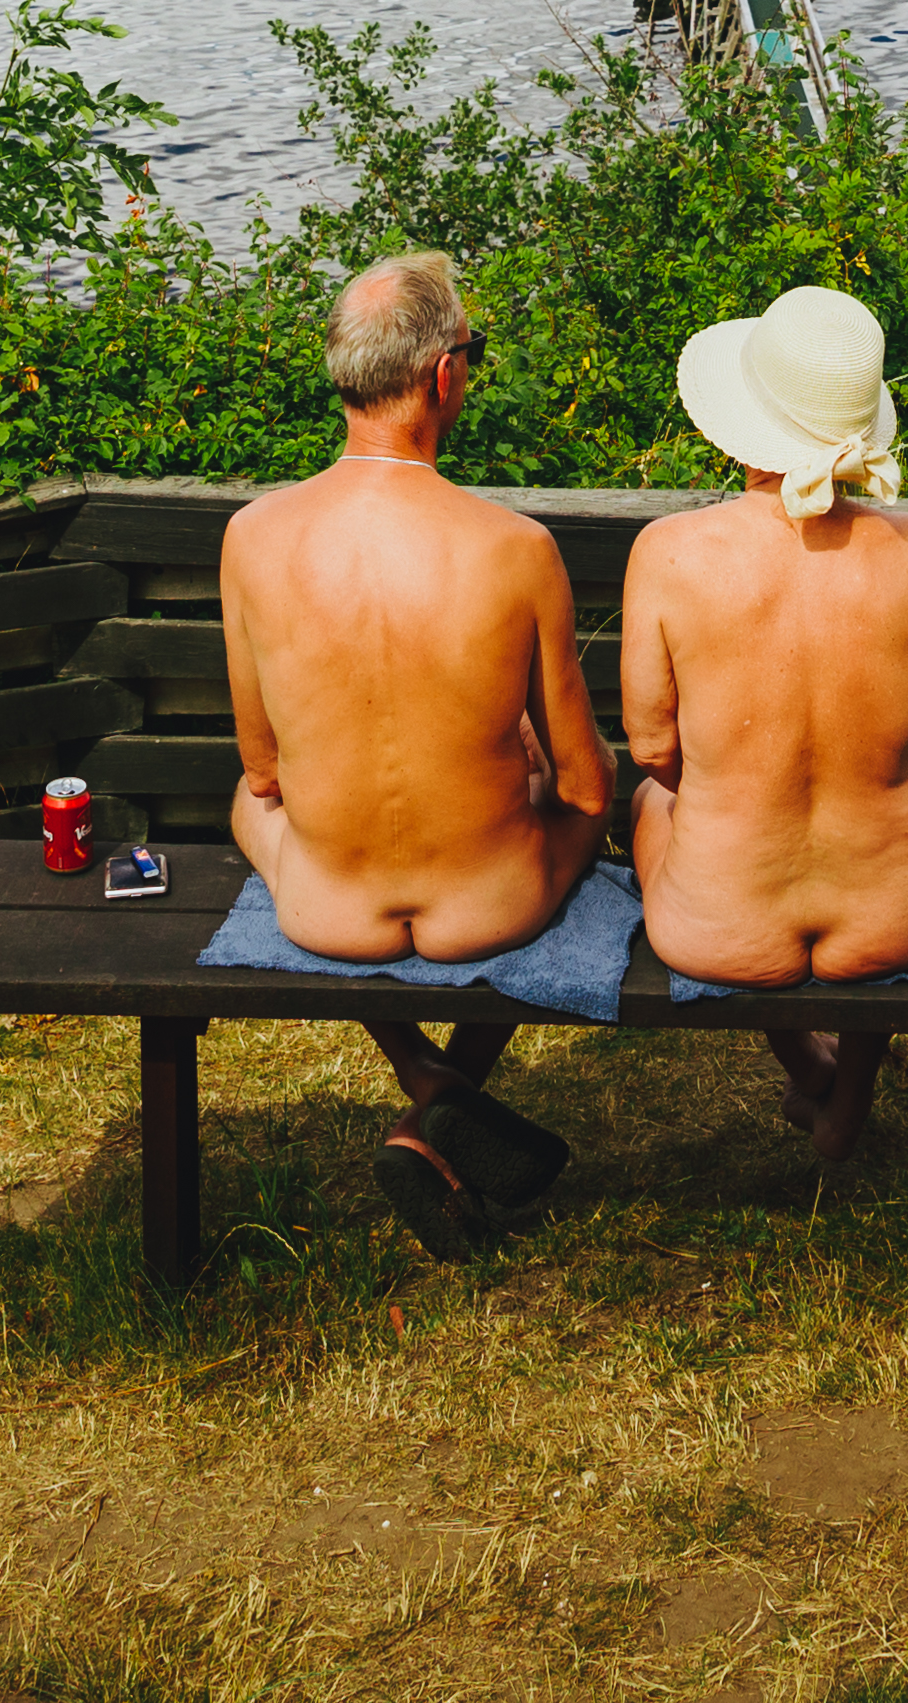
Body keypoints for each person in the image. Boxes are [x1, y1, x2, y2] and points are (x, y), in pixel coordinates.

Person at [220, 250, 608, 1240]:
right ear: (443, 375)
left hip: (326, 910)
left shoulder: (253, 536)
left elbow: (264, 771)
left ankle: (418, 1066)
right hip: (495, 905)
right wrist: (516, 754)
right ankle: (439, 1094)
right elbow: (587, 786)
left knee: (242, 801)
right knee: (568, 813)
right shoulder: (515, 547)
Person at [623, 281, 908, 1169]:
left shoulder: (667, 553)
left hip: (719, 920)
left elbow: (656, 750)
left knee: (646, 804)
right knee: (899, 815)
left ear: (743, 421)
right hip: (899, 914)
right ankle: (847, 1091)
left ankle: (801, 1052)